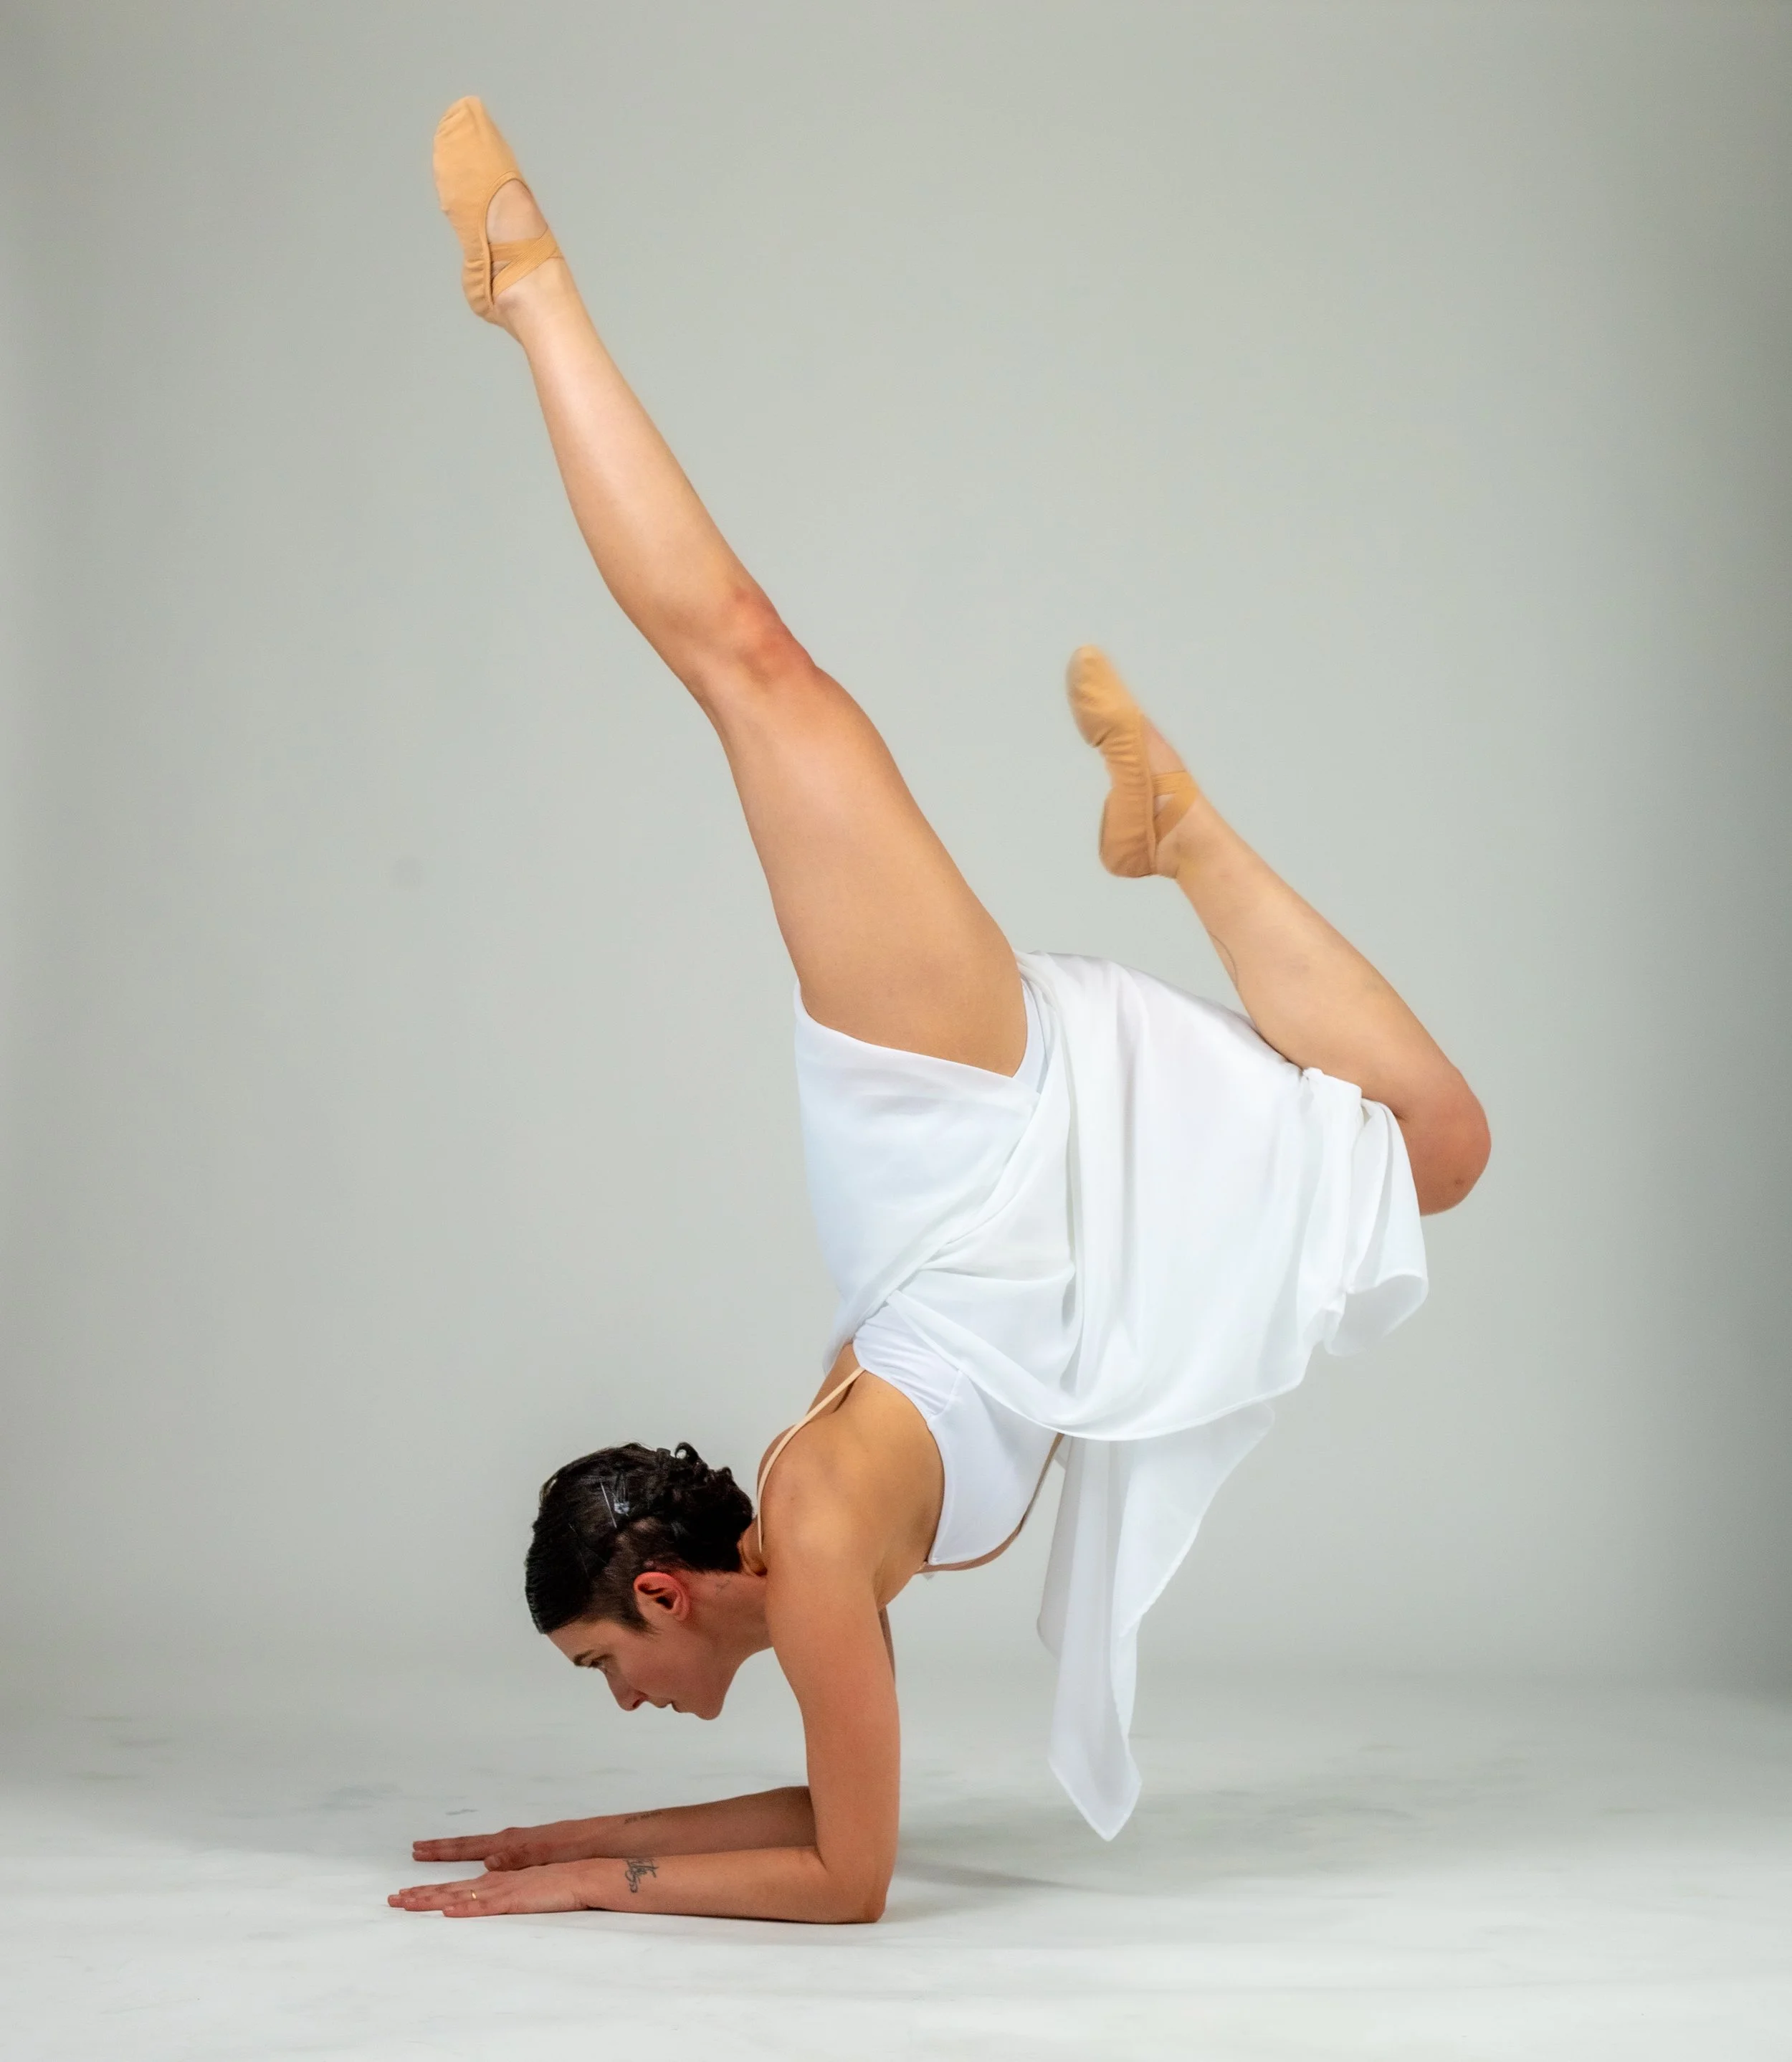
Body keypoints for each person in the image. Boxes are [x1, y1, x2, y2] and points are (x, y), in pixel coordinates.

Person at [390, 99, 1490, 1928]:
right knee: (1433, 1150)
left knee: (749, 666)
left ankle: (531, 293)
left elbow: (850, 1874)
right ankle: (1186, 835)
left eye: (601, 1667)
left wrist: (600, 1893)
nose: (625, 1707)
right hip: (1049, 1185)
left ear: (662, 1595)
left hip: (962, 1124)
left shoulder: (816, 1538)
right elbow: (832, 1792)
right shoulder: (805, 1562)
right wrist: (554, 1842)